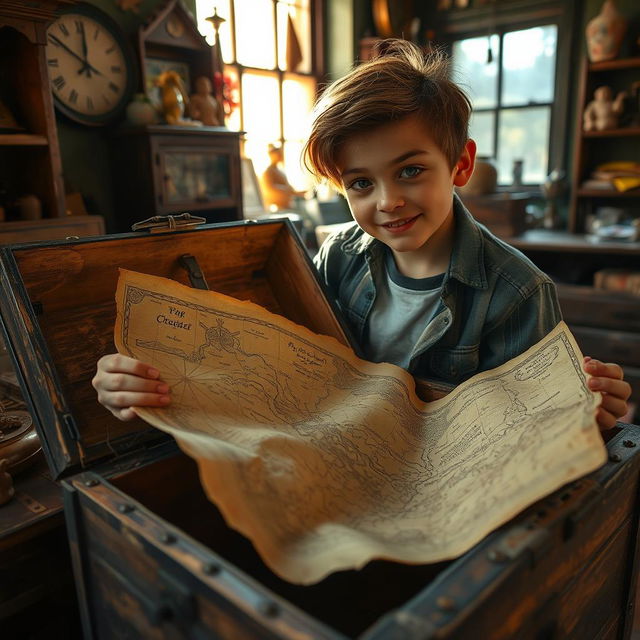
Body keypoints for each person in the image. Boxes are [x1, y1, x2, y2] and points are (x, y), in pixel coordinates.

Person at [92, 39, 630, 431]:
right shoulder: (338, 257)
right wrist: (151, 376)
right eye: (360, 182)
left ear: (460, 164)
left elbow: (539, 426)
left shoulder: (518, 292)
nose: (387, 200)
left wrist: (588, 417)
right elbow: (286, 365)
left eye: (411, 170)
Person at [260, 143, 306, 210]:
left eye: (280, 154)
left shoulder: (279, 170)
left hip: (286, 204)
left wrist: (295, 192)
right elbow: (270, 188)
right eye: (278, 154)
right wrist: (290, 191)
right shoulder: (268, 172)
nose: (280, 156)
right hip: (277, 206)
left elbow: (287, 186)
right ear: (271, 156)